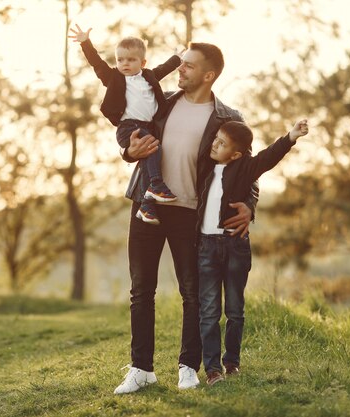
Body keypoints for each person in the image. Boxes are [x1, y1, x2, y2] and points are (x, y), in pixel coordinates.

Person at [113, 42, 259, 394]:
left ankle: (187, 366)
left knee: (192, 293)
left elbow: (247, 171)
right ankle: (141, 368)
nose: (180, 68)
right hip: (147, 204)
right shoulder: (158, 103)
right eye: (181, 63)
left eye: (188, 66)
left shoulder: (228, 118)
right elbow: (131, 136)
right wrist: (126, 152)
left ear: (208, 75)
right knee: (141, 290)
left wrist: (249, 205)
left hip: (191, 213)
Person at [197, 119, 309, 386]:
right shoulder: (203, 167)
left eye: (222, 144)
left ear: (235, 154)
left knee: (235, 310)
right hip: (206, 247)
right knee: (209, 311)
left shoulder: (244, 169)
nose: (215, 144)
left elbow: (267, 158)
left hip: (235, 246)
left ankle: (232, 362)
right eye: (216, 138)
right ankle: (212, 370)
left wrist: (290, 136)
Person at [68, 25, 183, 225]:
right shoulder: (114, 78)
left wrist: (177, 59)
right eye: (120, 59)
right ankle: (156, 185)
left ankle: (146, 207)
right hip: (128, 127)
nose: (124, 64)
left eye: (131, 60)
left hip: (148, 126)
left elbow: (164, 69)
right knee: (154, 150)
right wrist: (86, 43)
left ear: (142, 62)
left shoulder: (148, 76)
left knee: (151, 159)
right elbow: (97, 64)